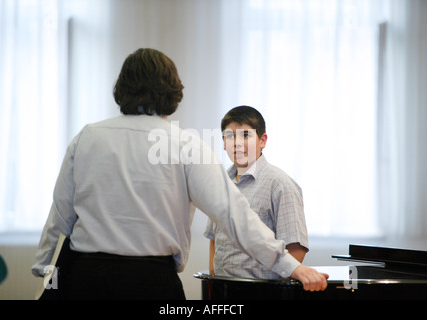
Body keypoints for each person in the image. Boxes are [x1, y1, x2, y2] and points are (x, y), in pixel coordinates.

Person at [31, 48, 328, 299]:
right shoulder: (186, 145)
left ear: (121, 87)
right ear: (173, 91)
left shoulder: (87, 137)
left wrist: (43, 265)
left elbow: (61, 213)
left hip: (84, 279)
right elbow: (235, 215)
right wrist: (291, 267)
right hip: (151, 282)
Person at [205, 106, 309, 280]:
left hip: (263, 292)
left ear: (263, 140)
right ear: (224, 143)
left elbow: (296, 249)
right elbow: (214, 240)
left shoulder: (280, 184)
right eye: (230, 136)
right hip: (223, 292)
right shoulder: (220, 183)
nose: (237, 143)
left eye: (245, 135)